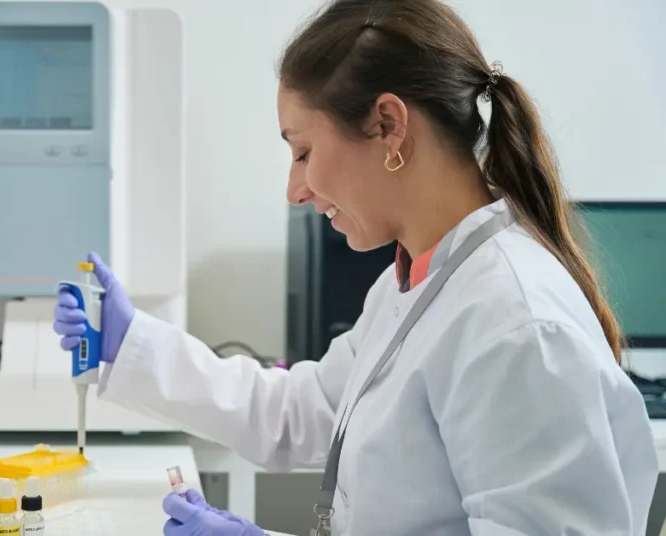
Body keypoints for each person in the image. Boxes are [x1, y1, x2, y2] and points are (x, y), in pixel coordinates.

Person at [53, 0, 658, 534]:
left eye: (303, 151)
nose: (295, 189)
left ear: (388, 126)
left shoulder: (515, 326)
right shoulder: (421, 282)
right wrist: (131, 344)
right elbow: (306, 410)